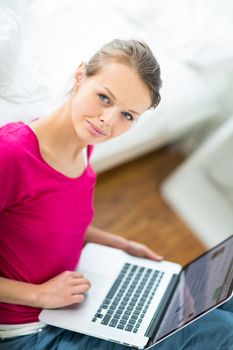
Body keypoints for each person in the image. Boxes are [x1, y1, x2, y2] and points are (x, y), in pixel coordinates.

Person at [0, 39, 232, 350]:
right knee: (221, 331)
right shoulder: (12, 154)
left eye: (127, 115)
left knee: (221, 306)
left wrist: (121, 245)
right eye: (104, 98)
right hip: (30, 332)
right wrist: (39, 295)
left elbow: (51, 221)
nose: (108, 121)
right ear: (80, 76)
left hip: (72, 303)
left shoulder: (82, 147)